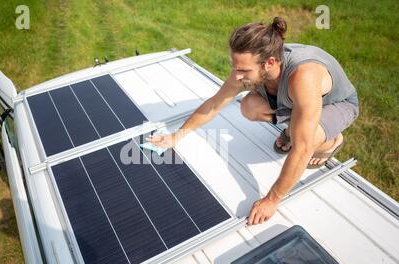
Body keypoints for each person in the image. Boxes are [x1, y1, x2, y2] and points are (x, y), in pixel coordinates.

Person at [146, 17, 359, 225]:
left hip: (337, 105)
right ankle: (297, 125)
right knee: (248, 107)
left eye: (243, 70)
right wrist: (176, 136)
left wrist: (272, 199)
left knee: (304, 140)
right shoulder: (251, 66)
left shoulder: (303, 76)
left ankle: (331, 142)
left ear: (270, 63)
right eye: (235, 67)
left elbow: (302, 149)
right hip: (298, 103)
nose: (237, 76)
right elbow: (214, 103)